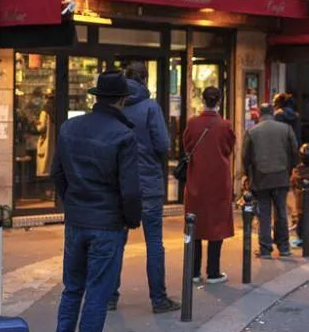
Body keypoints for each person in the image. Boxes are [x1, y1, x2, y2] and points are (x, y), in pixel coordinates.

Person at [49, 70, 141, 332]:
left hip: (77, 218)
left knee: (72, 286)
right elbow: (130, 189)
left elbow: (57, 174)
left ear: (97, 97)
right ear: (122, 100)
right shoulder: (123, 135)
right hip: (107, 222)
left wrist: (71, 201)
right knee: (98, 290)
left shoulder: (69, 128)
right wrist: (131, 220)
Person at [110, 62, 180, 314]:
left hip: (120, 184)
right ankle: (158, 299)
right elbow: (162, 144)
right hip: (149, 183)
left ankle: (110, 297)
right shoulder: (150, 107)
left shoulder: (115, 106)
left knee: (117, 242)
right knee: (154, 243)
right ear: (145, 79)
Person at [183, 86, 235, 283]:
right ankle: (213, 271)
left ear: (203, 100)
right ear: (219, 101)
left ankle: (194, 272)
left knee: (195, 223)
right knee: (217, 225)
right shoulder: (225, 125)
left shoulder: (192, 123)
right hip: (219, 181)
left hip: (196, 179)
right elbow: (228, 148)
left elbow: (187, 146)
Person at [243, 103, 298, 259]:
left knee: (264, 214)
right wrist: (289, 169)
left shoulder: (252, 132)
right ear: (273, 112)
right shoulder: (286, 129)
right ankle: (284, 247)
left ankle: (265, 248)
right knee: (281, 212)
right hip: (281, 176)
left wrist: (248, 174)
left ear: (259, 114)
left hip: (261, 178)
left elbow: (245, 157)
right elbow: (294, 151)